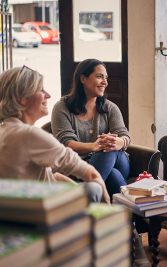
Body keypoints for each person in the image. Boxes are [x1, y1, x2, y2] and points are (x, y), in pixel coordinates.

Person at [0, 65, 110, 203]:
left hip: (18, 210)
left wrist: (76, 189)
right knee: (94, 188)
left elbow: (52, 177)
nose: (48, 95)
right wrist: (109, 210)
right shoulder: (29, 135)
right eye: (40, 90)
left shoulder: (5, 131)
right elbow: (91, 174)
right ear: (21, 98)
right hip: (43, 212)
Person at [51, 59, 131, 198]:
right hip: (81, 164)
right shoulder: (62, 108)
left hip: (117, 160)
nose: (105, 82)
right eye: (99, 76)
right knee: (113, 176)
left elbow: (124, 135)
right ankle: (127, 216)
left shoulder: (110, 108)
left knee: (107, 149)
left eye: (106, 78)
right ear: (83, 78)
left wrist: (120, 142)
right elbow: (66, 143)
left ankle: (81, 194)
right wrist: (94, 146)